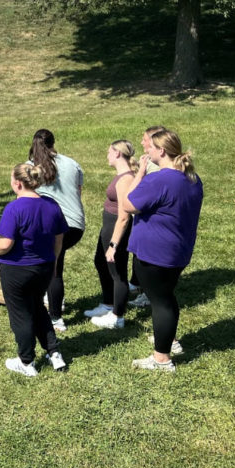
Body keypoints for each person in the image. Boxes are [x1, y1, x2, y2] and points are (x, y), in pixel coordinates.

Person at [119, 129, 203, 372]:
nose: (146, 150)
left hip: (155, 252)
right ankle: (169, 341)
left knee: (161, 302)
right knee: (166, 297)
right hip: (179, 250)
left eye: (150, 148)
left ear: (162, 151)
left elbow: (128, 203)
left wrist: (141, 174)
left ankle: (161, 359)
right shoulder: (192, 178)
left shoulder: (161, 179)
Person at [0, 162, 69, 377]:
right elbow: (58, 239)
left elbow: (6, 243)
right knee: (38, 307)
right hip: (44, 266)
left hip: (17, 270)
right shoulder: (52, 205)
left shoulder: (14, 208)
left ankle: (26, 361)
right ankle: (54, 352)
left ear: (17, 183)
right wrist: (54, 260)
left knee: (20, 315)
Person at [28, 129, 85, 331]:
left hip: (52, 225)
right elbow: (77, 194)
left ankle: (55, 317)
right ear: (53, 143)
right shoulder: (72, 163)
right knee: (55, 263)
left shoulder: (30, 167)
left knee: (53, 268)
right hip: (76, 225)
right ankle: (53, 302)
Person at [84, 140, 138, 329]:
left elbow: (124, 216)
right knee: (100, 262)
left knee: (118, 272)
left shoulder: (126, 179)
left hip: (116, 228)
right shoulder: (122, 175)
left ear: (117, 153)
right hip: (108, 226)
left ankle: (118, 317)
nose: (107, 155)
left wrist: (114, 244)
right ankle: (107, 304)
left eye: (109, 152)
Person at [127, 124, 167, 309]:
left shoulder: (153, 166)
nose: (142, 142)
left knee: (148, 263)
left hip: (149, 219)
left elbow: (131, 201)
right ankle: (142, 288)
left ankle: (149, 294)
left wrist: (139, 172)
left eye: (145, 139)